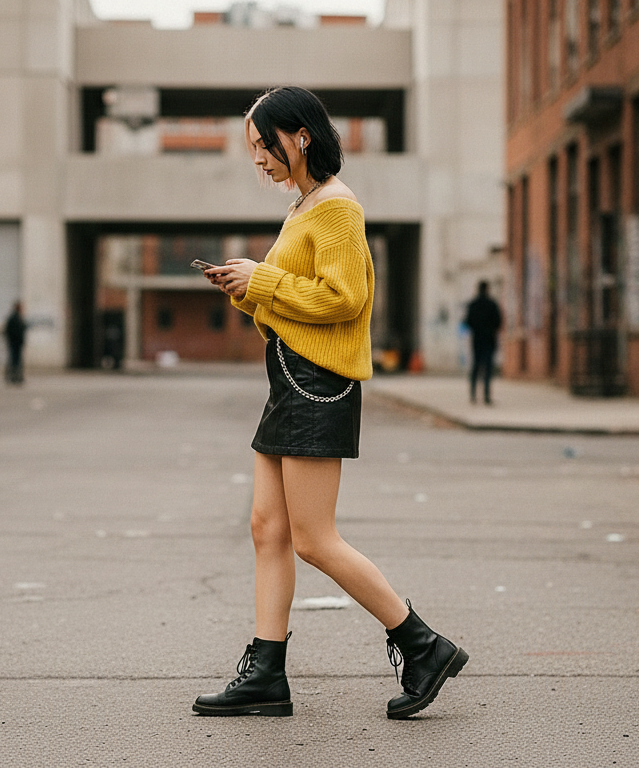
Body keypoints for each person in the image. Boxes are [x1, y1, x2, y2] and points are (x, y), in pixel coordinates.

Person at [197, 86, 467, 720]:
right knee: (267, 529)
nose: (257, 159)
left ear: (301, 136)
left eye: (263, 145)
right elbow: (299, 298)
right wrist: (246, 287)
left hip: (317, 383)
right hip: (290, 378)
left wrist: (262, 278)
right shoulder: (305, 205)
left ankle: (422, 645)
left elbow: (346, 300)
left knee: (314, 540)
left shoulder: (337, 208)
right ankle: (267, 674)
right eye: (252, 148)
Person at [463, 281, 502, 404]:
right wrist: (490, 329)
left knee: (475, 366)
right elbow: (498, 322)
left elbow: (467, 322)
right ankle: (486, 396)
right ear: (487, 289)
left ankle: (473, 395)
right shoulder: (492, 304)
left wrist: (476, 328)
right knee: (488, 368)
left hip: (477, 339)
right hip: (489, 340)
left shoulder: (473, 304)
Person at [3, 301, 27, 385]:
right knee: (14, 361)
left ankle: (17, 377)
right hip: (14, 343)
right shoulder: (13, 318)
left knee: (17, 360)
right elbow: (8, 331)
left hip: (18, 343)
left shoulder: (19, 318)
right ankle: (12, 377)